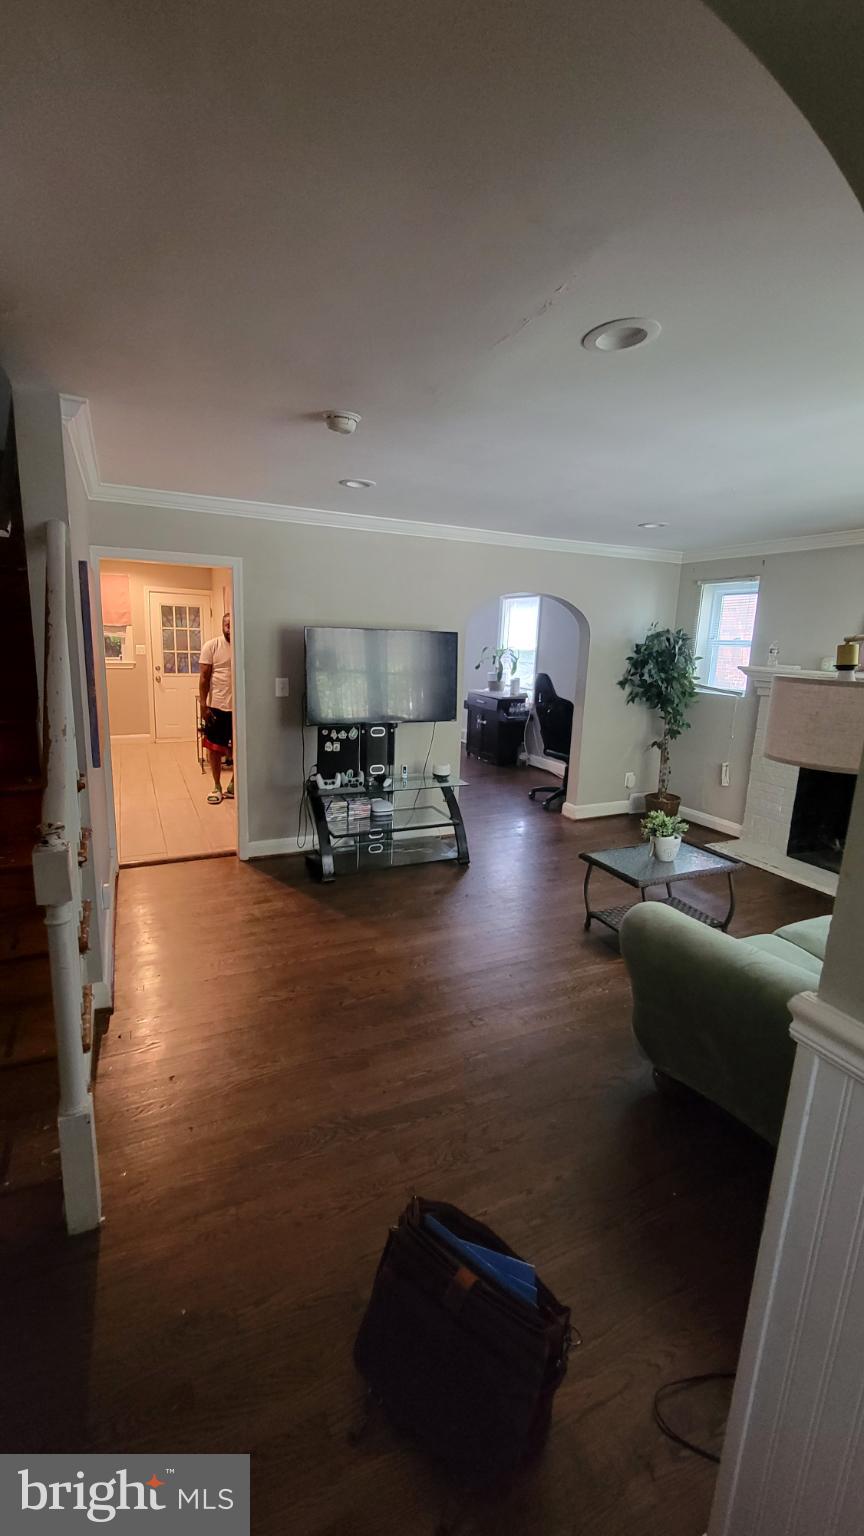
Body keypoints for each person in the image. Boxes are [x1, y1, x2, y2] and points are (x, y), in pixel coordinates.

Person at [199, 613, 233, 804]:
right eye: (226, 624)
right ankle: (217, 786)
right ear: (222, 626)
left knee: (240, 748)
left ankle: (234, 784)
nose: (229, 627)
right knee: (215, 749)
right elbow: (204, 677)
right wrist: (203, 705)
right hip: (217, 706)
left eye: (232, 624)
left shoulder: (242, 645)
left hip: (239, 710)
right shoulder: (211, 646)